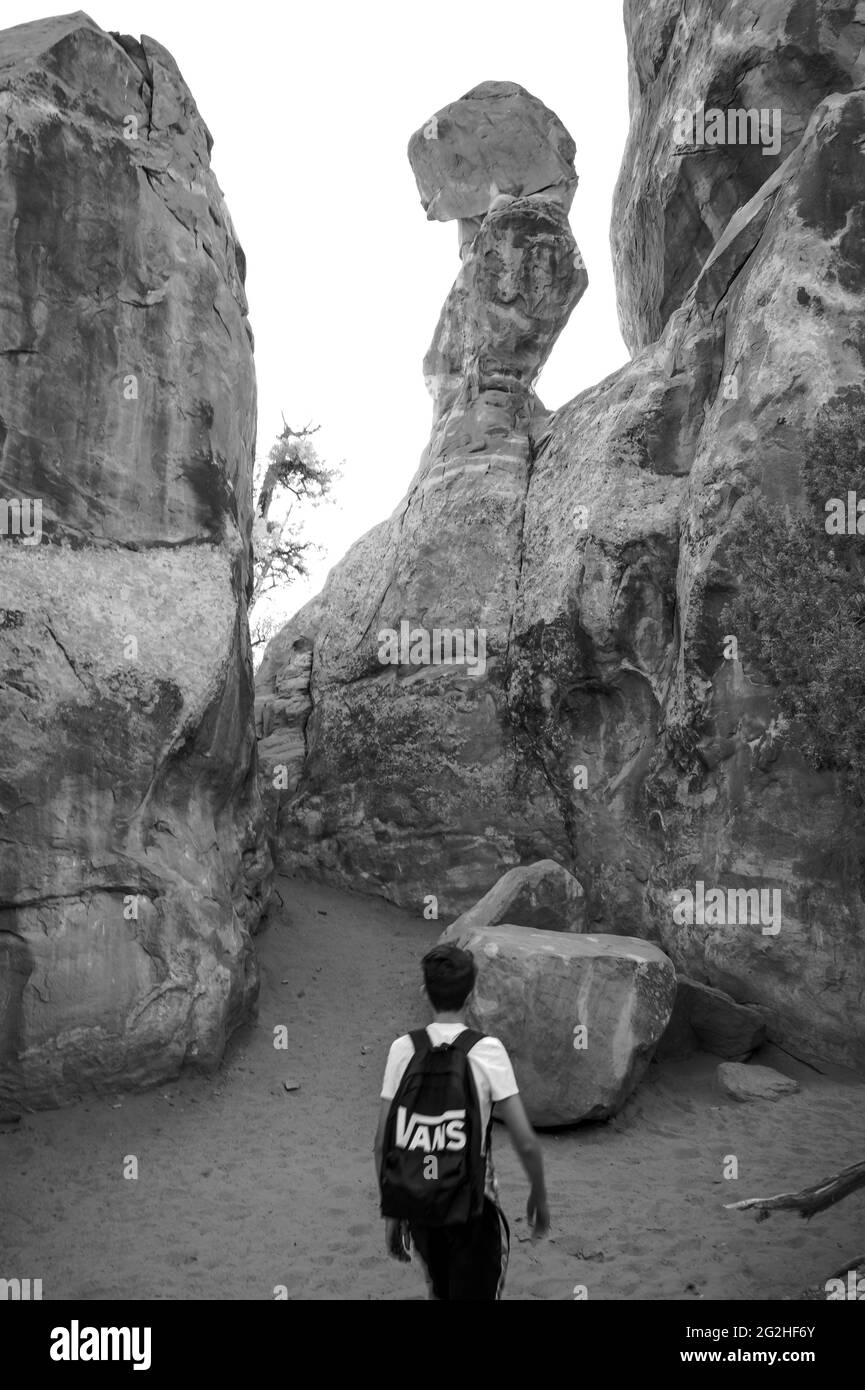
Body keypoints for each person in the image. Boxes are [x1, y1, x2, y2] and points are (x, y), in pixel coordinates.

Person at [373, 943, 549, 1300]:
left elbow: (382, 1143)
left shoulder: (403, 1049)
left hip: (421, 1205)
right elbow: (526, 1141)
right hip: (474, 1210)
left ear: (425, 992)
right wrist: (539, 1195)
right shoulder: (487, 1051)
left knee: (440, 1289)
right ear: (472, 995)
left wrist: (394, 1212)